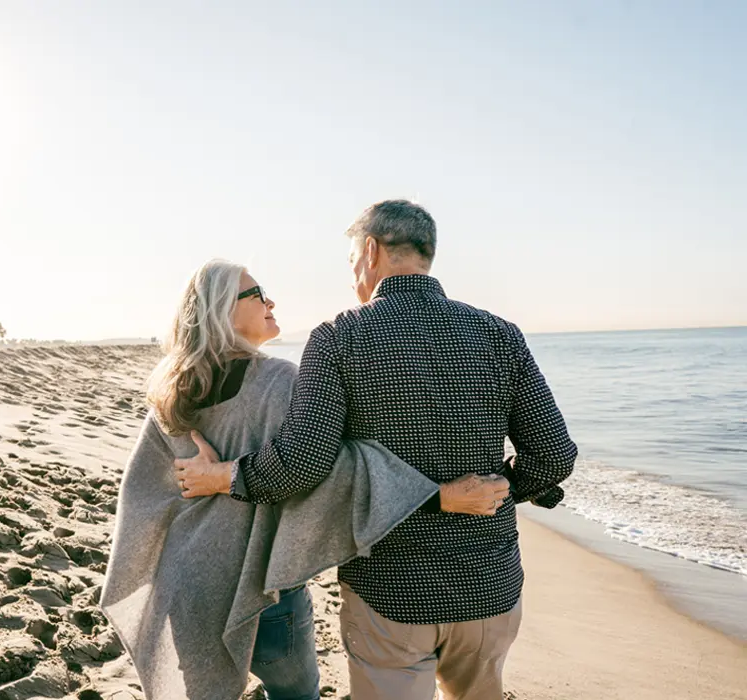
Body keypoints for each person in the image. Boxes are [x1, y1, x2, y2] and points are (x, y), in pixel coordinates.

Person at [175, 200, 578, 700]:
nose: (351, 277)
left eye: (350, 262)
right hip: (489, 584)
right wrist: (502, 490)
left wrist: (224, 477)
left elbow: (302, 463)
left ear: (370, 252)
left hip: (391, 590)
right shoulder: (499, 334)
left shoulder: (339, 337)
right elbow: (556, 456)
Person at [101, 259, 509, 700]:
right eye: (256, 294)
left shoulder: (170, 387)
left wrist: (204, 487)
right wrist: (438, 495)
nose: (270, 301)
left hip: (187, 585)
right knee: (296, 695)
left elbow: (142, 491)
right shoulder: (279, 381)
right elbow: (327, 471)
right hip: (262, 590)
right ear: (222, 310)